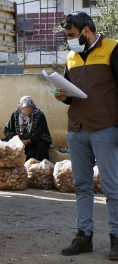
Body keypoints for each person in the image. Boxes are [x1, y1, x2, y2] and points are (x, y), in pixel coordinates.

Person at [54, 11, 118, 260]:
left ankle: (116, 239)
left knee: (112, 187)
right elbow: (73, 93)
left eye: (71, 35)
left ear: (86, 31)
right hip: (77, 129)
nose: (68, 40)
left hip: (106, 128)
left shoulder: (113, 49)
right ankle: (84, 236)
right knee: (81, 186)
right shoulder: (71, 56)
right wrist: (64, 96)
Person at [3, 96, 52, 161]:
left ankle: (38, 167)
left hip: (33, 143)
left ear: (33, 107)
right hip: (18, 143)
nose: (28, 109)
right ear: (21, 107)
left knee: (42, 145)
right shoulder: (15, 115)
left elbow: (42, 133)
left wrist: (28, 141)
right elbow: (7, 130)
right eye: (25, 107)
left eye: (30, 107)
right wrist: (16, 138)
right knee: (2, 144)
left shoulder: (39, 115)